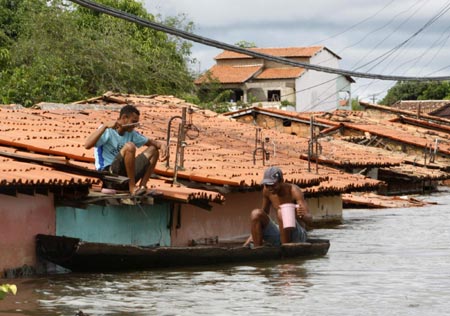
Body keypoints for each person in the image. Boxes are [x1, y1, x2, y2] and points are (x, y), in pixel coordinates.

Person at [84, 104, 168, 195]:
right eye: (133, 122)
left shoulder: (131, 133)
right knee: (129, 147)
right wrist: (105, 126)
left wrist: (162, 146)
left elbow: (152, 143)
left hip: (126, 176)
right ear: (124, 117)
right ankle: (132, 188)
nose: (135, 125)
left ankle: (142, 186)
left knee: (154, 150)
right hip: (109, 175)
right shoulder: (107, 130)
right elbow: (87, 145)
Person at [244, 166, 312, 247]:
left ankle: (286, 248)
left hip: (297, 236)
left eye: (273, 185)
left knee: (281, 212)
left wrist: (302, 216)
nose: (270, 188)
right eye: (267, 185)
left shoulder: (294, 191)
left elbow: (310, 219)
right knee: (256, 213)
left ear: (281, 181)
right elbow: (264, 214)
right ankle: (257, 249)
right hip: (280, 233)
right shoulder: (266, 191)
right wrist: (253, 236)